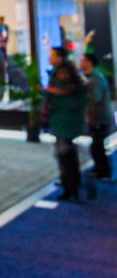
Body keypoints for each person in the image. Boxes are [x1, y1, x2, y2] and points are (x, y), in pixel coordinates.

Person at [45, 46, 90, 201]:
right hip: (63, 120)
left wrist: (50, 91)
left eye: (52, 55)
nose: (49, 58)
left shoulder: (66, 76)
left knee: (66, 155)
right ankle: (70, 185)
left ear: (60, 58)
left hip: (65, 121)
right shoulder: (63, 73)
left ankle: (71, 187)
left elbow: (68, 94)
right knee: (66, 154)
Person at [80, 53, 114, 181]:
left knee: (97, 148)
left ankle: (103, 173)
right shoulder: (91, 77)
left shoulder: (96, 78)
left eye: (82, 60)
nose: (80, 63)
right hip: (96, 118)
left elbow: (95, 98)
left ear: (89, 62)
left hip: (100, 119)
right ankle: (100, 170)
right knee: (96, 147)